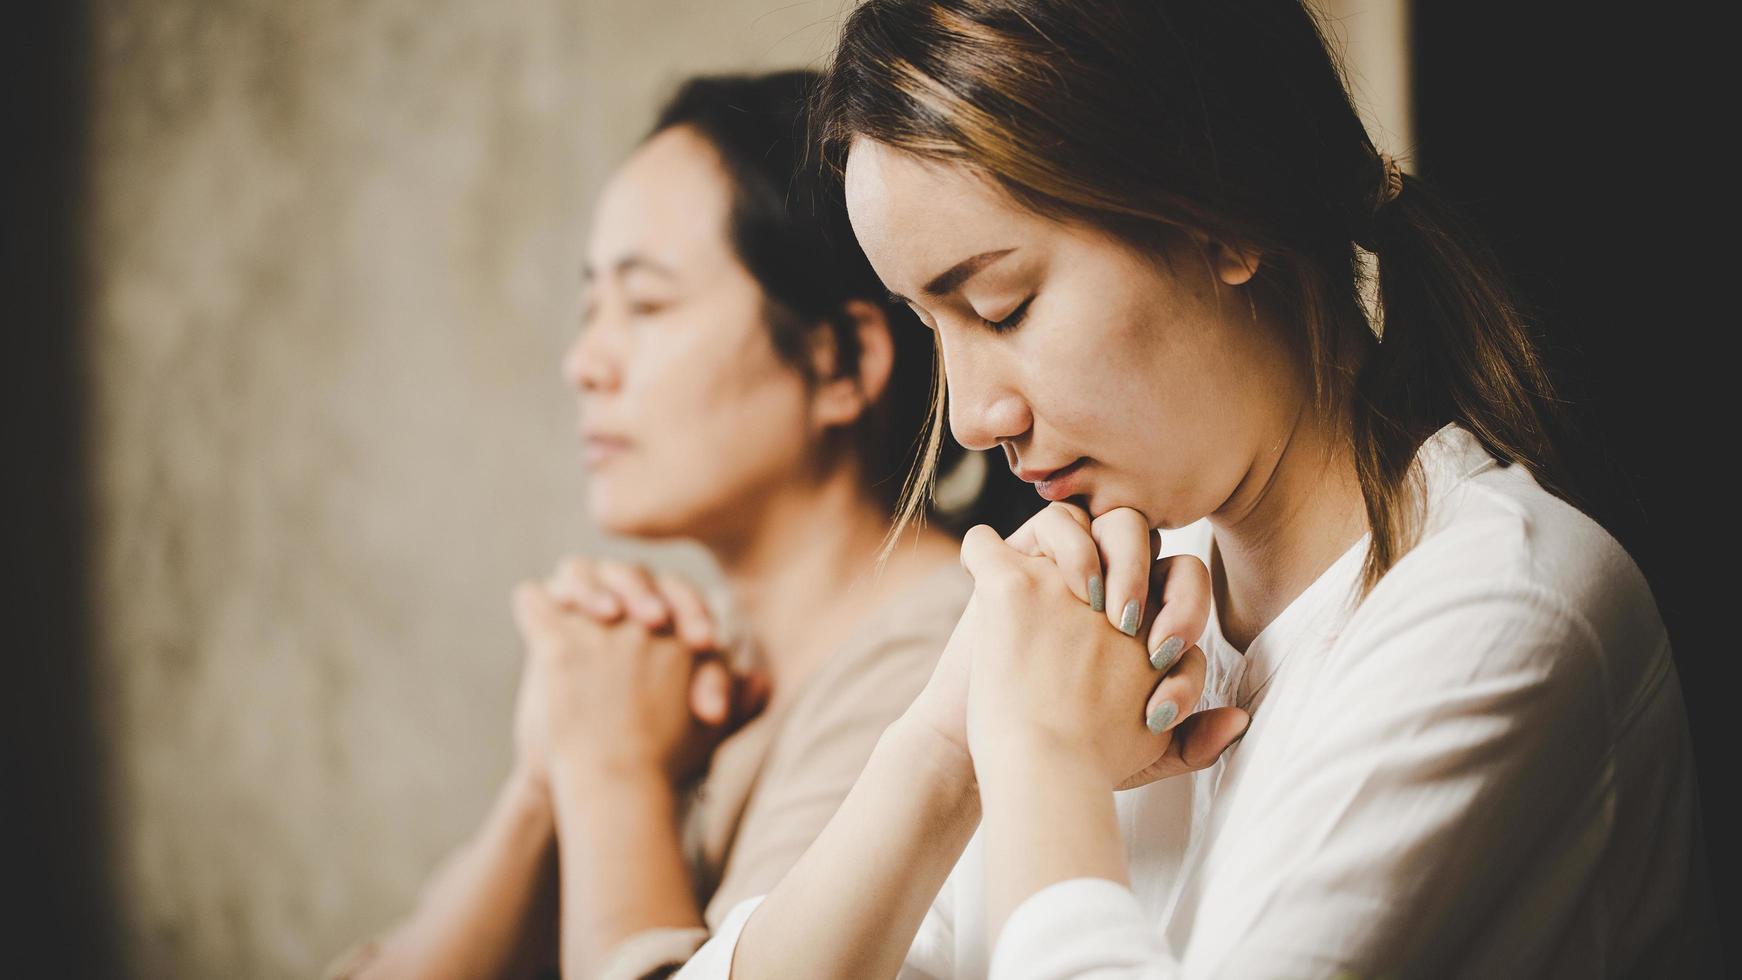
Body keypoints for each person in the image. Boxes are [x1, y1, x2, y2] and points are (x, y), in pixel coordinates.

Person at [671, 2, 1712, 977]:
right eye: (928, 327)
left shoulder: (1499, 607)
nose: (971, 418)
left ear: (1217, 213)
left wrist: (1040, 758)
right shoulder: (1111, 641)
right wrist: (945, 747)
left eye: (1002, 305)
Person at [325, 70, 1035, 980]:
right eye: (590, 310)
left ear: (844, 361)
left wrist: (611, 771)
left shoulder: (938, 662)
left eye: (647, 305)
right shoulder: (681, 663)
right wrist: (551, 774)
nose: (586, 362)